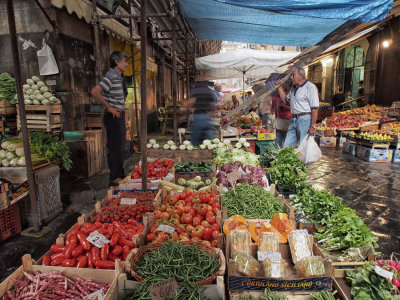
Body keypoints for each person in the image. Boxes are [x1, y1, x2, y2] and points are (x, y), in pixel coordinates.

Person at [91, 51, 129, 185]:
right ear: (117, 62)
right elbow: (95, 91)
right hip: (113, 116)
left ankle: (120, 173)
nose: (127, 64)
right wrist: (109, 107)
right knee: (115, 147)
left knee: (121, 147)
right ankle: (114, 177)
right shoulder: (111, 76)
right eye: (124, 61)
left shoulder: (119, 76)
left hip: (118, 115)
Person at [277, 67, 319, 148]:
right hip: (293, 119)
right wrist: (279, 87)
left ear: (302, 76)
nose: (291, 78)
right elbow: (285, 100)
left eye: (293, 75)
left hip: (304, 120)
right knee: (287, 146)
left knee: (304, 146)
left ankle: (304, 161)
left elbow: (315, 108)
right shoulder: (293, 88)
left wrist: (313, 126)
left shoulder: (310, 87)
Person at [184, 81, 217, 146]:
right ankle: (211, 152)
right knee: (210, 142)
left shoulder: (197, 91)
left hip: (198, 117)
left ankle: (194, 150)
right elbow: (213, 105)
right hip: (207, 118)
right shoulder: (209, 92)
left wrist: (183, 103)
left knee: (194, 141)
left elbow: (188, 103)